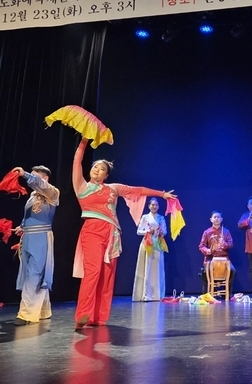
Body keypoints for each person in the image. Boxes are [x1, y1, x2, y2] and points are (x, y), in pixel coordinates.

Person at [72, 138, 176, 330]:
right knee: (93, 271)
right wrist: (84, 141)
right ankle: (82, 315)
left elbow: (137, 190)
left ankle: (99, 317)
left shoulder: (113, 188)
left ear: (106, 175)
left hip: (112, 233)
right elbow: (77, 160)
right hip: (92, 231)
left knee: (107, 275)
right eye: (95, 166)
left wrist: (161, 194)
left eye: (101, 169)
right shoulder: (82, 186)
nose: (97, 169)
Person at [12, 165, 60, 326]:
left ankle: (26, 314)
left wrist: (25, 174)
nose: (31, 179)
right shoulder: (33, 196)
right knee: (31, 273)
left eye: (35, 176)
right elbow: (29, 216)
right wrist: (22, 227)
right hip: (28, 237)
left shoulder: (52, 192)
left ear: (45, 178)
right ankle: (44, 310)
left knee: (35, 273)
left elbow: (38, 184)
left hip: (41, 237)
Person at [132, 197, 168, 302]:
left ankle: (157, 294)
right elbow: (139, 231)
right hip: (147, 243)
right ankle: (146, 294)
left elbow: (165, 231)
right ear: (149, 206)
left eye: (156, 205)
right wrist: (148, 231)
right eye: (152, 205)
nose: (154, 206)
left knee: (157, 268)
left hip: (157, 244)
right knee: (147, 267)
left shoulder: (161, 218)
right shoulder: (145, 217)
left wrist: (161, 232)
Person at [199, 211, 236, 294]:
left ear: (221, 219)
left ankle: (227, 293)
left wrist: (225, 244)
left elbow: (231, 244)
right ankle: (207, 294)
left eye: (218, 217)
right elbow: (201, 246)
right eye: (214, 217)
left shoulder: (226, 231)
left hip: (224, 258)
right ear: (211, 219)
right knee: (205, 272)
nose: (216, 219)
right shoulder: (207, 232)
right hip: (210, 259)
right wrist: (207, 250)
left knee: (233, 271)